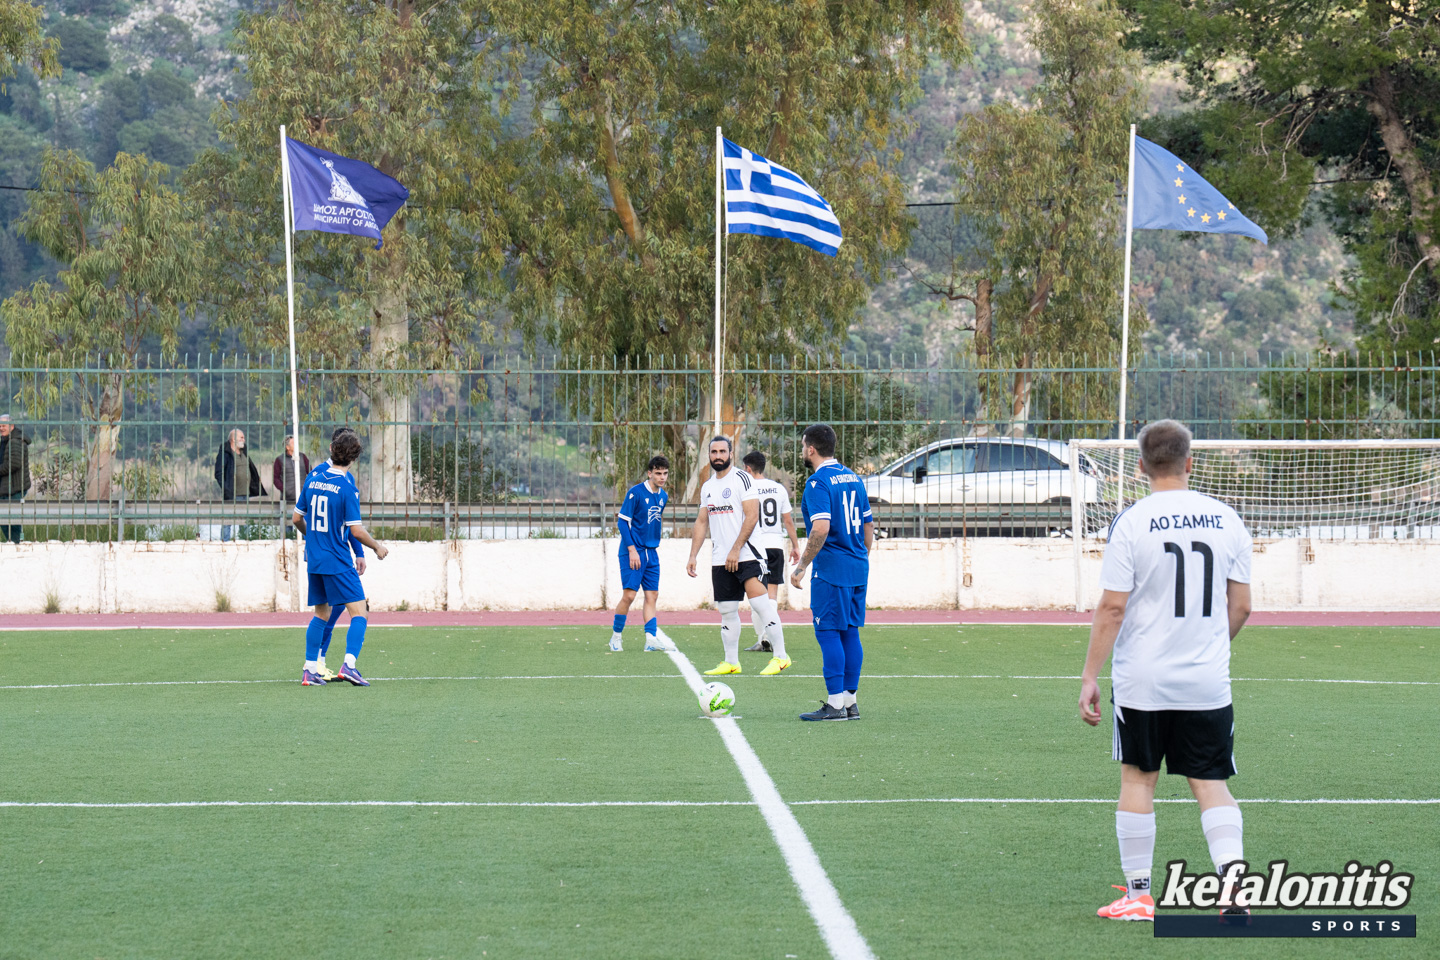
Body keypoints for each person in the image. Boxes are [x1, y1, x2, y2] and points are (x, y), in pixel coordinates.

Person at [1079, 419, 1253, 922]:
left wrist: (1090, 675)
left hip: (1143, 680)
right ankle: (1234, 891)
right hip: (1206, 681)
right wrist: (1208, 646)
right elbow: (1241, 606)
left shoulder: (1131, 521)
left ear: (1140, 466)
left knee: (1138, 781)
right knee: (1211, 783)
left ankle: (1138, 897)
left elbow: (1113, 607)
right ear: (1189, 462)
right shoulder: (1227, 519)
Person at [687, 436, 791, 677]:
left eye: (723, 451)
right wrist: (693, 555)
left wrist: (736, 549)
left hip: (748, 555)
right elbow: (701, 522)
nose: (718, 456)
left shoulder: (742, 479)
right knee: (727, 610)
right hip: (720, 559)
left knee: (761, 605)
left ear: (731, 454)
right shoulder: (707, 487)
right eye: (714, 452)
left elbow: (752, 516)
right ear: (709, 455)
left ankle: (781, 657)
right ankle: (731, 662)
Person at [790, 423, 873, 720]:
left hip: (832, 570)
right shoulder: (854, 478)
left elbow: (821, 527)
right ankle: (850, 703)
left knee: (827, 632)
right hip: (857, 566)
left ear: (811, 449)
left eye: (803, 446)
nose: (802, 451)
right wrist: (859, 557)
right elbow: (868, 525)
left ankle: (835, 703)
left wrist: (801, 566)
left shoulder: (818, 482)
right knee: (850, 631)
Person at [293, 431, 389, 686]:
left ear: (332, 450)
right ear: (354, 458)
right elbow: (356, 530)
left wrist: (312, 537)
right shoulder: (347, 487)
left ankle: (309, 669)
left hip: (315, 559)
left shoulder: (313, 480)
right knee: (360, 612)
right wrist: (376, 547)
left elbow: (296, 518)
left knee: (321, 614)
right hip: (337, 558)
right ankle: (349, 665)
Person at [309, 427, 367, 681]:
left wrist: (359, 552)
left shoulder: (320, 477)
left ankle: (314, 665)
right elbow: (353, 526)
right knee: (344, 609)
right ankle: (321, 661)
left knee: (331, 609)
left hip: (321, 552)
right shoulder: (331, 478)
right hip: (332, 554)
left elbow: (345, 523)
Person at [609, 455, 676, 653]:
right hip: (633, 551)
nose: (662, 477)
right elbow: (623, 522)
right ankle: (616, 637)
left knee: (652, 595)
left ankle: (651, 639)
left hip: (651, 552)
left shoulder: (663, 496)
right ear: (649, 473)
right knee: (629, 595)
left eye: (665, 473)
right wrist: (632, 550)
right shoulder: (635, 493)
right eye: (658, 473)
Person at [740, 450, 800, 654]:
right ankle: (766, 638)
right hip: (775, 546)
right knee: (771, 596)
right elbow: (788, 521)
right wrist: (795, 546)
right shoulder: (778, 488)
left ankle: (763, 638)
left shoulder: (746, 488)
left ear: (748, 469)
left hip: (755, 547)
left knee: (756, 596)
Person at [214, 428, 264, 542]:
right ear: (233, 439)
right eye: (241, 437)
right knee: (227, 521)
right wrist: (226, 489)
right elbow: (218, 473)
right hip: (232, 494)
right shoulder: (225, 454)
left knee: (245, 521)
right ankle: (225, 543)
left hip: (245, 494)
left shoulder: (244, 453)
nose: (244, 440)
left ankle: (244, 542)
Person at [0, 413, 32, 544]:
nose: (1, 428)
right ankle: (14, 543)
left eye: (4, 425)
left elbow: (14, 464)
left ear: (11, 426)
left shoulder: (15, 441)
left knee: (12, 520)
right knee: (5, 519)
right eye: (0, 426)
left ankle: (16, 544)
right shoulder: (7, 440)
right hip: (8, 487)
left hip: (14, 487)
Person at [273, 436, 311, 507]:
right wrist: (284, 489)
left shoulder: (303, 457)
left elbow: (311, 473)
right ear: (287, 447)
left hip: (303, 496)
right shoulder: (279, 460)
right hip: (287, 499)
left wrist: (307, 487)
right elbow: (275, 478)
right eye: (293, 443)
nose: (296, 444)